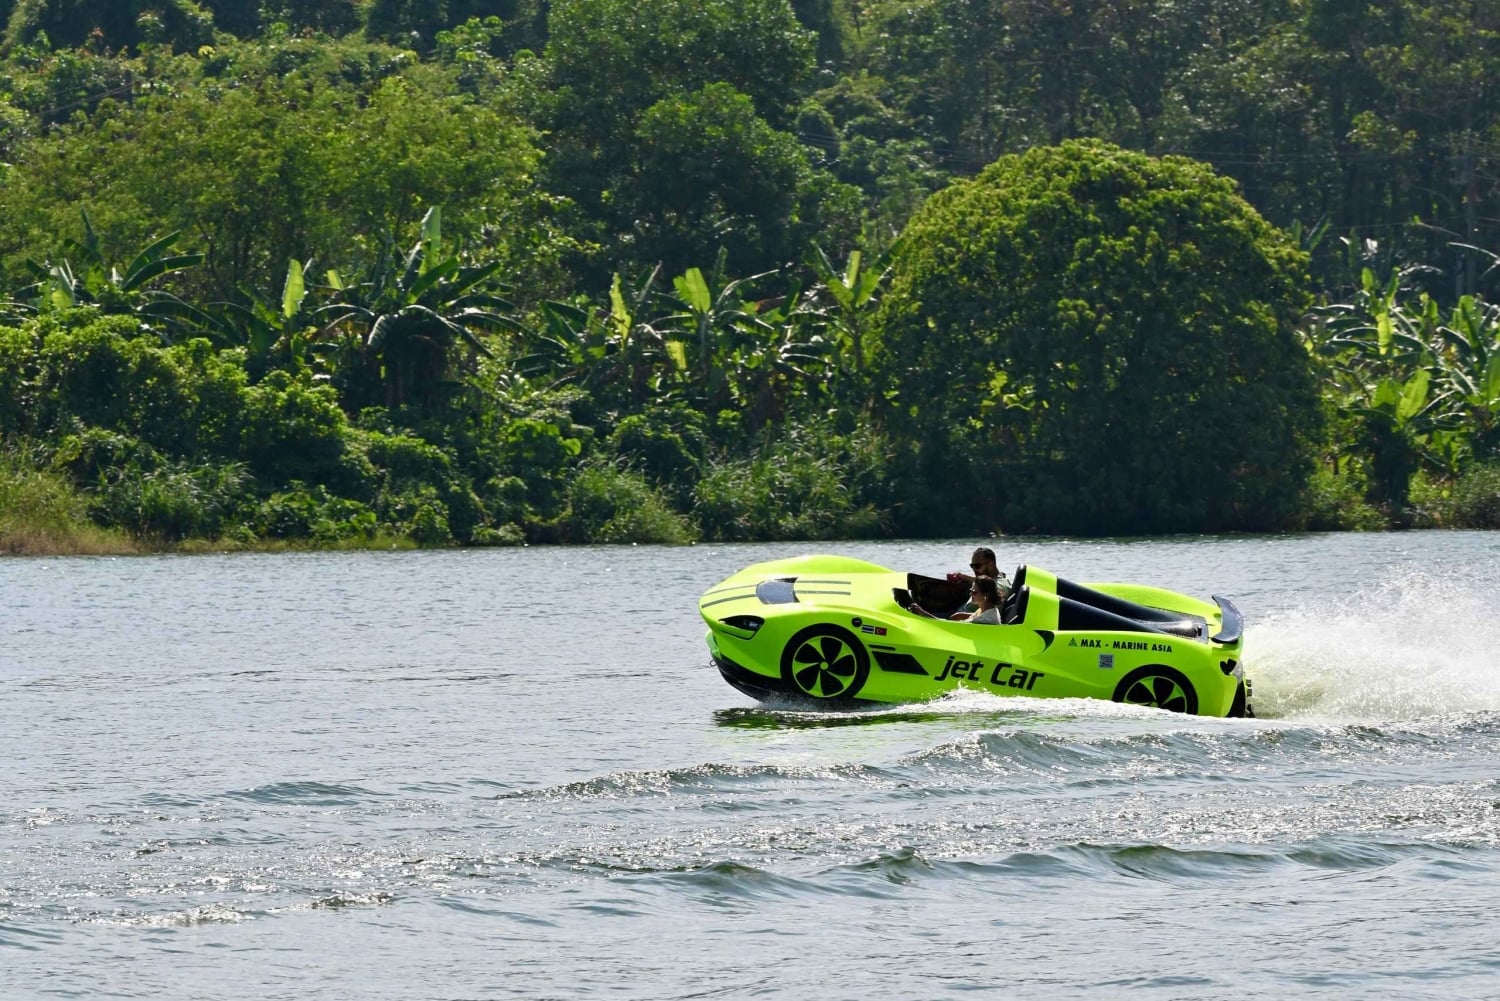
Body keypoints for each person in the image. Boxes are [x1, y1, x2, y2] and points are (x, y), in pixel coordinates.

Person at [909, 576, 1004, 624]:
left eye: (974, 592)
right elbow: (973, 616)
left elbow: (947, 626)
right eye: (970, 591)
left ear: (985, 596)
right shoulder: (988, 610)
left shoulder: (984, 620)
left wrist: (922, 612)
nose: (970, 594)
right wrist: (962, 615)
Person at [946, 546, 1010, 616]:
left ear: (990, 565)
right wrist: (965, 577)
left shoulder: (1000, 585)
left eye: (977, 566)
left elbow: (988, 615)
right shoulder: (995, 580)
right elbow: (986, 582)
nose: (974, 569)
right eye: (972, 566)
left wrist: (958, 617)